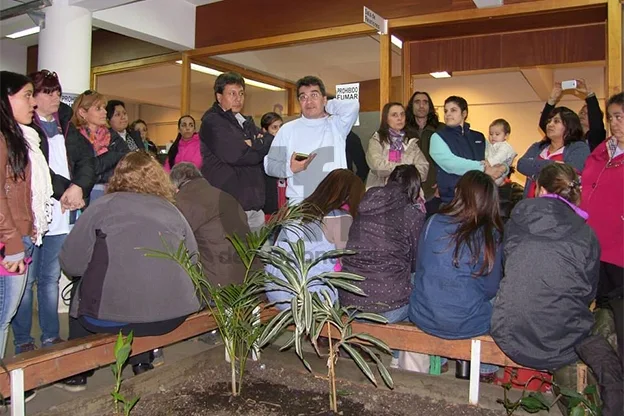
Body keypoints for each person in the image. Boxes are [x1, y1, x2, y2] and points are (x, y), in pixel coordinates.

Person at [56, 152, 201, 391]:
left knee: (81, 291)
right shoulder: (172, 211)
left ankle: (78, 372)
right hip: (170, 315)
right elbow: (193, 259)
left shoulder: (102, 207)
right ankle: (142, 362)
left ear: (118, 177)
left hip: (107, 319)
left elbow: (71, 263)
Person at [11, 70, 94, 355]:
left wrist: (80, 187)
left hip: (61, 217)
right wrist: (68, 190)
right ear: (33, 96)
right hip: (34, 217)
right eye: (48, 92)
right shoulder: (23, 130)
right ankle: (23, 340)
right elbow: (39, 170)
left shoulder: (67, 124)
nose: (56, 96)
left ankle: (50, 336)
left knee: (49, 280)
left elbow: (87, 159)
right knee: (25, 283)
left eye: (57, 91)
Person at [491, 163, 600, 370]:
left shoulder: (517, 221)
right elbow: (589, 292)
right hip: (564, 341)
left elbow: (509, 267)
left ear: (540, 190)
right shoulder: (588, 235)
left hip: (510, 331)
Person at [409, 171, 503, 379]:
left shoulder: (433, 221)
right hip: (468, 322)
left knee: (423, 279)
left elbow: (421, 265)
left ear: (460, 194)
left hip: (424, 316)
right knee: (500, 296)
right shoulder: (491, 234)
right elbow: (491, 289)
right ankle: (484, 369)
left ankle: (441, 360)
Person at [265, 169, 364, 309]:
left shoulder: (298, 211)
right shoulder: (340, 217)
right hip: (306, 298)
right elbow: (348, 262)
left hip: (275, 293)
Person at [340, 165, 426, 321]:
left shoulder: (365, 204)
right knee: (420, 280)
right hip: (388, 307)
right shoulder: (412, 214)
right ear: (416, 189)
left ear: (388, 180)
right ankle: (399, 344)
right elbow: (417, 261)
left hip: (349, 302)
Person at [264, 76, 359, 204]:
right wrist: (290, 168)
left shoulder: (337, 125)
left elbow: (352, 106)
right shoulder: (287, 129)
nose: (308, 102)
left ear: (324, 99)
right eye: (303, 97)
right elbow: (270, 165)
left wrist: (327, 105)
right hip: (300, 204)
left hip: (334, 201)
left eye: (314, 95)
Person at [581, 92, 624, 366]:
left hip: (618, 250)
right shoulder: (602, 150)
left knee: (618, 318)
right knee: (595, 316)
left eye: (619, 117)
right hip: (592, 245)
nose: (614, 123)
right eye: (611, 118)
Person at [200, 72, 272, 231]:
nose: (238, 98)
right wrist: (256, 144)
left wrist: (253, 144)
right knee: (231, 255)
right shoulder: (212, 122)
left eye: (241, 94)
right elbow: (236, 155)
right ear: (219, 97)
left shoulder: (244, 121)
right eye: (232, 93)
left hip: (254, 203)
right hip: (229, 206)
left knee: (257, 255)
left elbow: (269, 141)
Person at [171, 162, 250, 288]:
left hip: (216, 285)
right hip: (248, 278)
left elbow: (173, 242)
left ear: (175, 187)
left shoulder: (183, 201)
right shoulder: (225, 196)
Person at [429, 96, 506, 205]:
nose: (448, 114)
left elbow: (495, 157)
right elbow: (451, 164)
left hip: (480, 196)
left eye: (453, 110)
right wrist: (482, 168)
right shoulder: (437, 137)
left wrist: (504, 167)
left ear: (464, 114)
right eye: (446, 111)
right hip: (453, 198)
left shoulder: (478, 137)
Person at [67, 90, 132, 203]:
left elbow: (127, 162)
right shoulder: (74, 137)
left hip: (113, 194)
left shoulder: (112, 135)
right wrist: (111, 158)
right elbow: (77, 170)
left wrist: (96, 169)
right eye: (98, 109)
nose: (104, 112)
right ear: (82, 112)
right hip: (84, 197)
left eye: (104, 108)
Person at [518, 106, 590, 198]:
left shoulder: (579, 147)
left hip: (559, 208)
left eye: (556, 121)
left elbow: (570, 173)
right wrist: (554, 164)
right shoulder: (538, 147)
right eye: (549, 121)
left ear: (569, 125)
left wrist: (534, 171)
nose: (550, 124)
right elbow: (521, 164)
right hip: (530, 206)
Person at [365, 102, 429, 190]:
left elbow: (423, 169)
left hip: (408, 192)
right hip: (381, 193)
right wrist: (406, 169)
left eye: (402, 114)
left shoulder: (411, 142)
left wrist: (402, 172)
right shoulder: (376, 140)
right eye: (394, 115)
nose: (400, 118)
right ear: (386, 119)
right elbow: (377, 166)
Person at [540, 80, 606, 151]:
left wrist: (589, 94)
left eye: (587, 113)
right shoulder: (569, 134)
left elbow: (596, 123)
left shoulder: (596, 137)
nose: (582, 114)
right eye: (581, 112)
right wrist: (552, 99)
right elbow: (545, 124)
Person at [405, 91, 442, 200]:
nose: (421, 106)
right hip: (408, 189)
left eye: (425, 102)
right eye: (417, 102)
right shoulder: (403, 131)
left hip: (435, 189)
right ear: (411, 106)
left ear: (429, 107)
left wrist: (443, 182)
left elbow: (450, 159)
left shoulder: (441, 130)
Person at [260, 112, 286, 218]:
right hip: (270, 195)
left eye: (281, 126)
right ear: (265, 130)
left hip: (282, 191)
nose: (279, 131)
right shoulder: (264, 145)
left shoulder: (285, 144)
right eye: (274, 127)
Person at [485, 119, 517, 186]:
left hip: (498, 176)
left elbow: (499, 157)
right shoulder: (491, 145)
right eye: (491, 134)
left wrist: (488, 162)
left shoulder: (505, 146)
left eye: (497, 134)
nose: (493, 136)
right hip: (491, 171)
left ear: (506, 136)